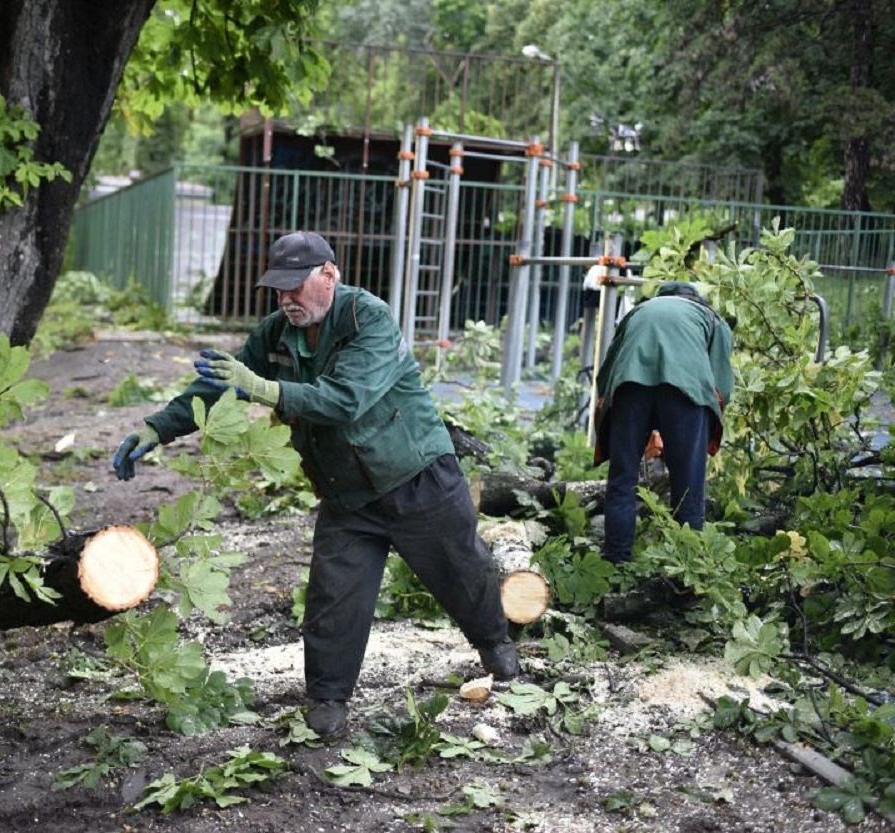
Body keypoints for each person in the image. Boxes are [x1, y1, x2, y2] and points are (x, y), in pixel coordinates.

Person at [111, 230, 517, 739]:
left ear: (329, 275)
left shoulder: (368, 318)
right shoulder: (276, 333)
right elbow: (218, 383)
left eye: (295, 287)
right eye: (278, 290)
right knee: (333, 600)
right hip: (346, 494)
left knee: (462, 573)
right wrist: (158, 427)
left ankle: (498, 651)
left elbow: (344, 400)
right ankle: (327, 701)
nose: (285, 300)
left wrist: (258, 387)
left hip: (416, 478)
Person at [592, 281, 734, 564]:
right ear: (696, 299)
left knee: (622, 480)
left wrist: (619, 419)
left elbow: (607, 371)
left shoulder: (638, 312)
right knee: (688, 486)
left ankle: (615, 563)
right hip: (686, 391)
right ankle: (686, 569)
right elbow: (720, 386)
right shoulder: (712, 319)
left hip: (629, 387)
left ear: (662, 297)